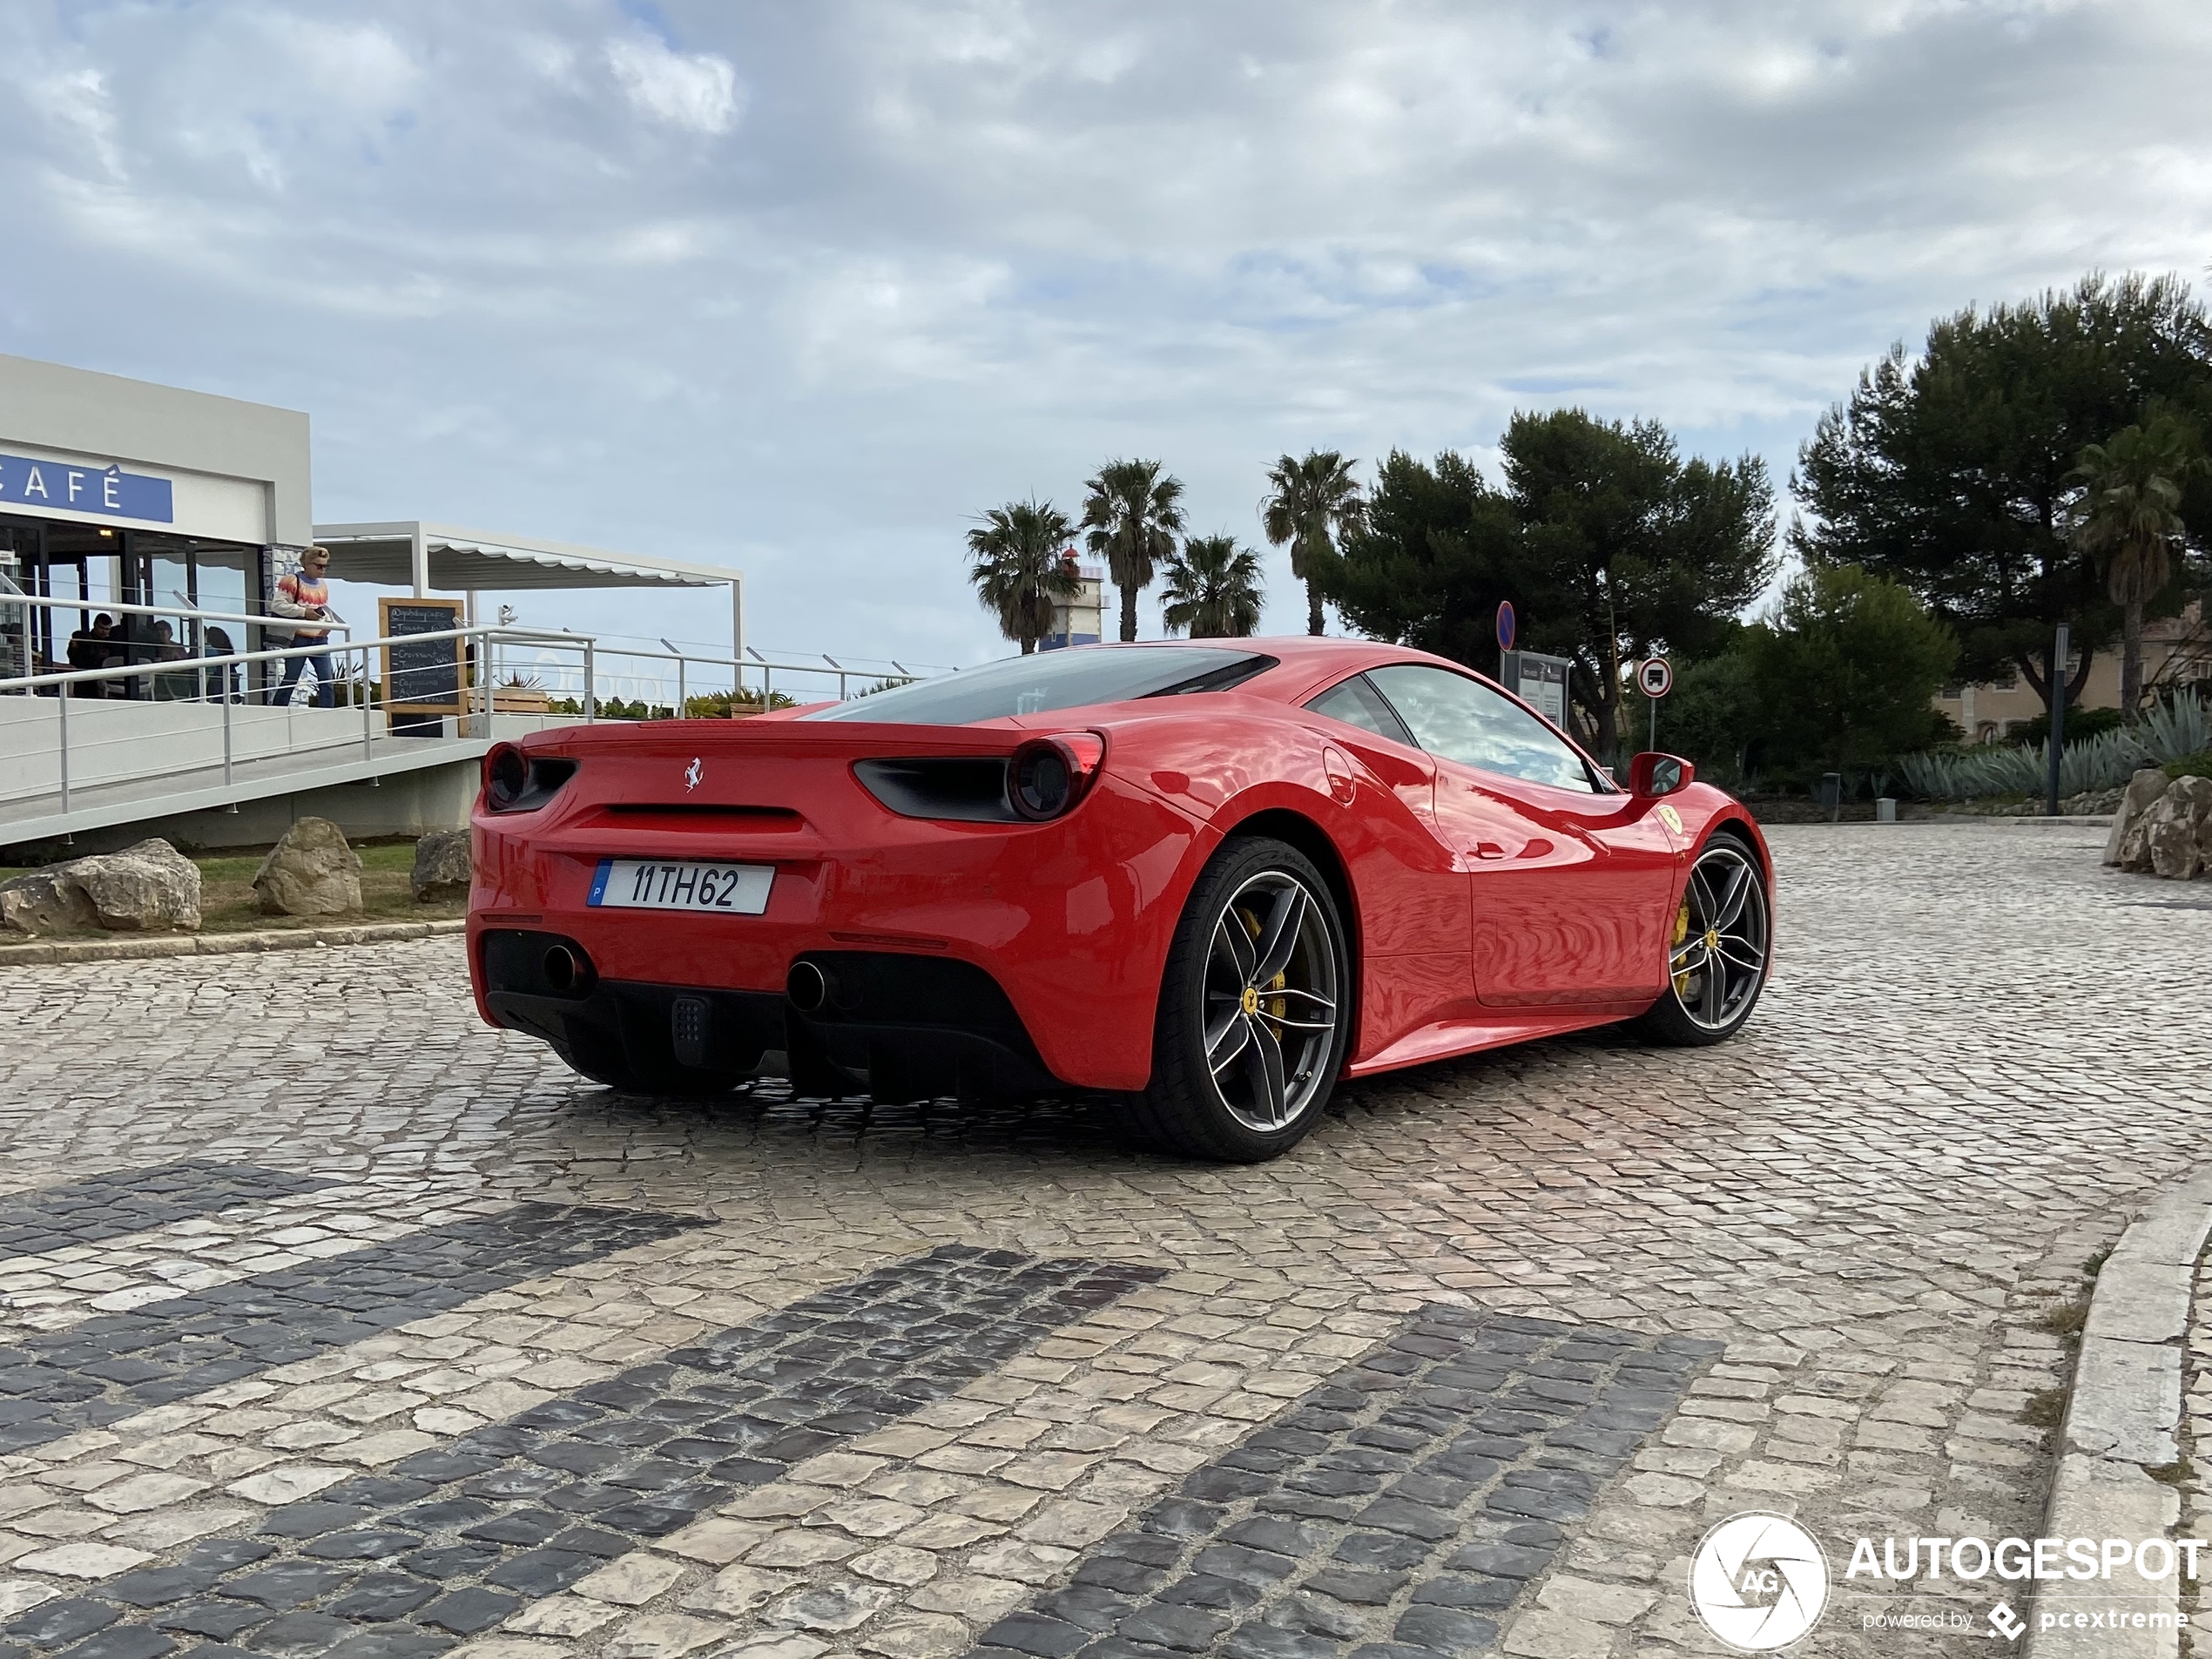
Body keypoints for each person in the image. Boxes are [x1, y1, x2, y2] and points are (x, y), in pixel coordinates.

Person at [269, 546, 339, 707]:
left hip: (320, 638)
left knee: (327, 680)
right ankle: (277, 709)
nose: (323, 570)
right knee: (291, 678)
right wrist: (303, 612)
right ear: (306, 565)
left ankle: (327, 714)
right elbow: (278, 605)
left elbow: (324, 608)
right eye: (319, 566)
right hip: (298, 637)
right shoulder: (292, 581)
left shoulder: (322, 585)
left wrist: (328, 623)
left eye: (325, 566)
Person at [66, 613, 115, 698]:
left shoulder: (111, 643)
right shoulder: (82, 638)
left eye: (107, 629)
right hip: (82, 677)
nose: (104, 631)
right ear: (95, 625)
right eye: (101, 628)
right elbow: (73, 657)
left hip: (103, 678)